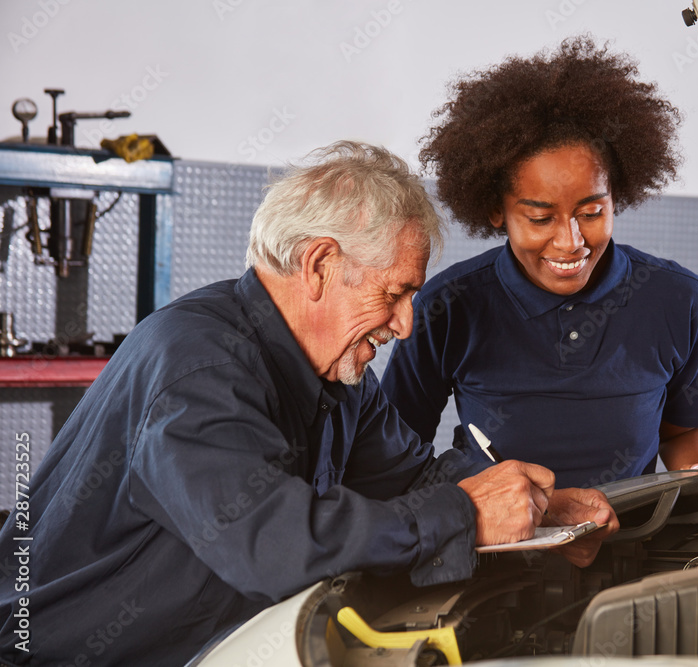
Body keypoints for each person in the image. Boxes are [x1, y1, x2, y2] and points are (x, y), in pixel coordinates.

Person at [0, 141, 616, 667]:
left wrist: (535, 509)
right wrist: (463, 514)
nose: (405, 325)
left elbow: (413, 473)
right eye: (393, 294)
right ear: (319, 264)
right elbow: (275, 544)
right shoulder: (199, 365)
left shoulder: (338, 374)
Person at [382, 37, 698, 489]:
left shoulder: (679, 299)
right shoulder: (449, 305)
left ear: (617, 196)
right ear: (495, 210)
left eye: (592, 213)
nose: (571, 242)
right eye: (541, 218)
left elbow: (684, 431)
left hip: (634, 545)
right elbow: (395, 454)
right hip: (496, 552)